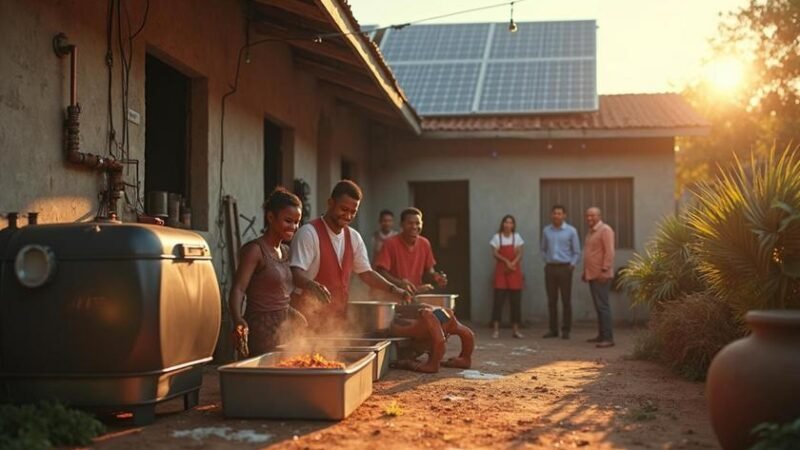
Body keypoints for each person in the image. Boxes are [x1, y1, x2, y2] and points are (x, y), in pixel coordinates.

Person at [289, 180, 411, 332]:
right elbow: (295, 273)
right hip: (305, 319)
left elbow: (366, 274)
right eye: (344, 209)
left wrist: (394, 289)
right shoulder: (308, 233)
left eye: (353, 212)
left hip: (336, 319)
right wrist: (311, 285)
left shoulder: (353, 237)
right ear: (330, 203)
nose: (348, 215)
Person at [227, 187, 310, 356]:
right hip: (261, 330)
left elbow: (283, 294)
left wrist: (296, 316)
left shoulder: (286, 251)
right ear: (271, 217)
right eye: (288, 221)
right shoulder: (255, 250)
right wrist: (237, 319)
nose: (293, 227)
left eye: (297, 222)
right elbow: (238, 289)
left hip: (284, 328)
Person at [374, 207, 447, 295]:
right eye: (410, 223)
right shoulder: (390, 244)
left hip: (416, 296)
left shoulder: (425, 243)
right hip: (393, 296)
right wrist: (399, 283)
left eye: (417, 223)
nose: (414, 227)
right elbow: (380, 272)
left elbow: (429, 270)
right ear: (401, 224)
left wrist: (436, 277)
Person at [389, 304, 474, 373]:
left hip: (433, 317)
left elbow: (440, 341)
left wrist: (432, 365)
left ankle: (433, 361)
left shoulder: (425, 320)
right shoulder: (442, 318)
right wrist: (465, 358)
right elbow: (468, 334)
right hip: (438, 315)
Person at [540, 205, 581, 340]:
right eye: (554, 213)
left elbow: (576, 251)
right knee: (551, 300)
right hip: (551, 268)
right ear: (551, 215)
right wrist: (547, 260)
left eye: (559, 213)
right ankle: (553, 329)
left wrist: (572, 265)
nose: (557, 216)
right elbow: (543, 249)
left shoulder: (571, 231)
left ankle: (566, 330)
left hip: (565, 268)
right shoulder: (547, 231)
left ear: (564, 215)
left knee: (566, 300)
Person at [582, 206, 616, 348]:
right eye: (588, 215)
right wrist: (585, 271)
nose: (590, 218)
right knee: (598, 306)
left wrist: (604, 269)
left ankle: (608, 338)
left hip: (601, 274)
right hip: (592, 274)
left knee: (603, 306)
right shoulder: (591, 232)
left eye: (593, 215)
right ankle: (601, 335)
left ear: (599, 216)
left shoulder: (605, 230)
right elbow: (591, 253)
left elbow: (609, 252)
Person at [490, 214, 524, 339]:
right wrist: (506, 262)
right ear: (502, 224)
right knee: (498, 301)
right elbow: (494, 253)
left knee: (515, 302)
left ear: (513, 225)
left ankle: (515, 330)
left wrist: (513, 263)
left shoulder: (517, 237)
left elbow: (520, 253)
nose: (508, 225)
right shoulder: (496, 237)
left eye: (511, 223)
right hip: (501, 272)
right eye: (506, 222)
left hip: (514, 272)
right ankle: (496, 330)